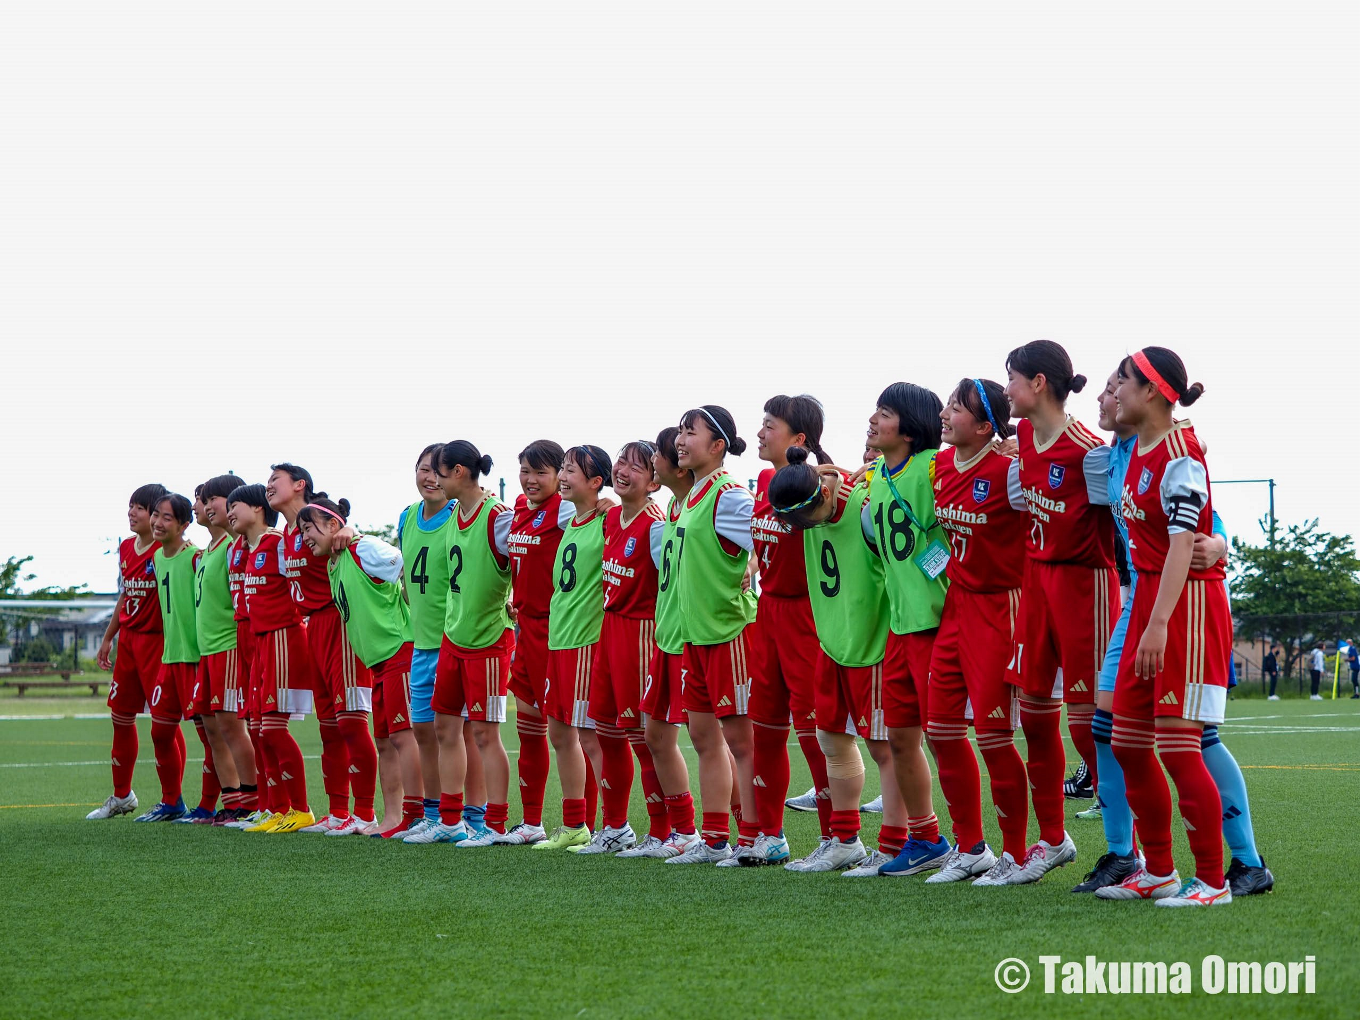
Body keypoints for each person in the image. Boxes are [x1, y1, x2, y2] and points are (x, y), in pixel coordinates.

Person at [1097, 347, 1233, 907]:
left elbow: (1183, 546)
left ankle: (1214, 882)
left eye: (1120, 382)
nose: (1113, 392)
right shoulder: (1135, 450)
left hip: (1186, 609)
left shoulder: (1181, 454)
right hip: (1151, 603)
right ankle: (1158, 871)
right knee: (1127, 743)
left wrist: (1155, 626)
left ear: (1150, 390)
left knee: (1179, 747)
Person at [987, 340, 1114, 885]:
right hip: (1035, 585)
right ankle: (1054, 840)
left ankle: (1130, 851)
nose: (1006, 389)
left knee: (1090, 729)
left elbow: (1123, 523)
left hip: (1085, 587)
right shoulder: (1022, 437)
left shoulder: (1089, 449)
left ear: (1038, 383)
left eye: (1012, 378)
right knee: (1037, 719)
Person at [768, 450, 921, 874]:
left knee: (885, 747)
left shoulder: (865, 505)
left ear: (823, 495)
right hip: (832, 640)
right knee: (831, 738)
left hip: (875, 643)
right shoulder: (807, 498)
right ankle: (845, 841)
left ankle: (893, 845)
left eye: (807, 518)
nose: (805, 528)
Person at [923, 379, 1031, 883]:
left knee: (993, 737)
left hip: (1000, 610)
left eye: (957, 409)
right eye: (947, 405)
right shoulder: (941, 465)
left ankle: (1016, 853)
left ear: (987, 426)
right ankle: (970, 848)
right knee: (941, 730)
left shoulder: (1009, 471)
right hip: (957, 607)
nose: (945, 414)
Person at [861, 383, 951, 878]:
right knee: (899, 738)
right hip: (900, 626)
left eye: (885, 413)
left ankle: (973, 843)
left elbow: (957, 531)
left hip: (937, 622)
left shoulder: (935, 467)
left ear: (911, 427)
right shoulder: (875, 475)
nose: (873, 420)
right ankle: (926, 837)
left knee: (944, 737)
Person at [408, 441, 516, 846]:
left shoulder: (498, 516)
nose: (432, 479)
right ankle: (450, 820)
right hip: (452, 638)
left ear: (457, 472)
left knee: (485, 735)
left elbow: (526, 560)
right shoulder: (454, 514)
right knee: (445, 728)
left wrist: (515, 598)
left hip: (488, 641)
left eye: (437, 471)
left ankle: (493, 825)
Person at [742, 396, 833, 866]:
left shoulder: (822, 483)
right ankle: (770, 836)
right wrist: (752, 561)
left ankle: (838, 836)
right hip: (769, 614)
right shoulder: (763, 482)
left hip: (806, 618)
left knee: (815, 732)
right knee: (766, 729)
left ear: (798, 439)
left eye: (769, 425)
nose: (760, 433)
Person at [666, 405, 758, 865]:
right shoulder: (692, 496)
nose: (680, 440)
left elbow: (769, 539)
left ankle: (759, 837)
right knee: (705, 740)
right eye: (680, 431)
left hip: (729, 634)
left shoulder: (729, 496)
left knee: (743, 744)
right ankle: (717, 837)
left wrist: (754, 565)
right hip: (695, 637)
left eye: (691, 432)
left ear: (718, 445)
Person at [299, 497, 416, 836]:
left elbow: (404, 564)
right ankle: (391, 817)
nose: (305, 537)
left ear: (333, 525)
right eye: (302, 531)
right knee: (386, 742)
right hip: (377, 661)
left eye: (309, 528)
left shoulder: (361, 548)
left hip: (399, 650)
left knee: (405, 737)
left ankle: (419, 814)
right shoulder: (333, 565)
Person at [576, 442, 668, 854]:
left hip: (642, 634)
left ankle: (667, 831)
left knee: (644, 739)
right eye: (621, 462)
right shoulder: (611, 517)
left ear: (654, 482)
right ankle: (615, 828)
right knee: (607, 733)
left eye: (636, 466)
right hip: (609, 631)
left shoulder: (657, 525)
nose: (623, 470)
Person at [395, 445, 489, 838]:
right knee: (423, 731)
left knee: (463, 733)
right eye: (424, 469)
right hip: (420, 643)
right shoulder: (407, 517)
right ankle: (434, 816)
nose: (430, 478)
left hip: (456, 641)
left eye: (438, 471)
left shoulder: (461, 513)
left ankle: (474, 816)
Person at [619, 428, 702, 859]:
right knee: (653, 736)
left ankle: (732, 834)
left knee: (715, 741)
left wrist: (749, 567)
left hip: (689, 637)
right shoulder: (673, 508)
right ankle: (679, 831)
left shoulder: (671, 514)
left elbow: (747, 547)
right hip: (666, 638)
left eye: (652, 459)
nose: (653, 463)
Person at [498, 440, 583, 845]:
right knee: (528, 730)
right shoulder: (518, 508)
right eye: (525, 471)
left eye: (541, 472)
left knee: (565, 734)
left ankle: (579, 824)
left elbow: (598, 516)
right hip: (525, 629)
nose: (530, 480)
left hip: (556, 631)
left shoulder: (564, 509)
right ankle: (532, 822)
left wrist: (604, 504)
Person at [535, 445, 614, 852]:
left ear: (597, 481)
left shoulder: (608, 520)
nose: (562, 477)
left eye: (570, 471)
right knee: (560, 733)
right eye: (562, 469)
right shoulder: (569, 518)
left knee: (591, 738)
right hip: (559, 641)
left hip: (586, 641)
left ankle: (612, 826)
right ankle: (574, 824)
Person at [231, 483, 317, 834]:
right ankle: (275, 808)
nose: (231, 512)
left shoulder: (276, 542)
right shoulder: (248, 549)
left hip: (283, 636)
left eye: (235, 505)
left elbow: (304, 576)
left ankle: (301, 809)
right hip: (261, 641)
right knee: (258, 729)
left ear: (256, 509)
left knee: (273, 728)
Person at [88, 483, 168, 820]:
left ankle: (173, 801)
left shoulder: (167, 550)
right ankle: (122, 796)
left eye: (139, 507)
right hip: (129, 643)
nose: (131, 513)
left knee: (163, 724)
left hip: (157, 643)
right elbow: (125, 594)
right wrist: (109, 637)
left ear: (157, 515)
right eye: (131, 506)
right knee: (120, 717)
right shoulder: (125, 547)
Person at [132, 493, 198, 822]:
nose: (157, 522)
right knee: (160, 732)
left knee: (212, 736)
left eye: (167, 517)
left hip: (196, 658)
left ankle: (218, 805)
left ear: (184, 525)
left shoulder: (195, 557)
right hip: (169, 657)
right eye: (156, 515)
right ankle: (172, 803)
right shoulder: (157, 558)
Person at [198, 473, 259, 824]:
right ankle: (233, 800)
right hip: (207, 650)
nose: (208, 506)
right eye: (204, 500)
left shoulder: (235, 547)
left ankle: (251, 799)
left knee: (233, 725)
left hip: (229, 646)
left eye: (215, 499)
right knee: (214, 727)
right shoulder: (214, 550)